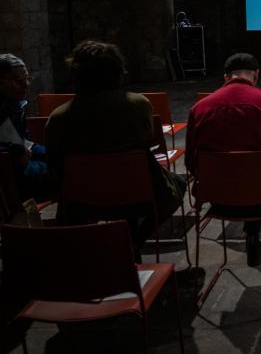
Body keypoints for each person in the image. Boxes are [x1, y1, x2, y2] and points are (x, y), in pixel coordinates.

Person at [46, 40, 184, 250]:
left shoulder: (58, 117)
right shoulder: (138, 105)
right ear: (117, 71)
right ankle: (132, 240)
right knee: (178, 185)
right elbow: (147, 141)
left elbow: (55, 161)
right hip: (138, 193)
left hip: (81, 200)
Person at [185, 53, 261, 267]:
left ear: (225, 77)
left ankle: (254, 234)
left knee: (246, 178)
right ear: (256, 75)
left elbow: (191, 163)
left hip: (219, 199)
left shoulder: (199, 109)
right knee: (258, 178)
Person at [0, 54, 51, 201]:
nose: (26, 85)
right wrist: (21, 151)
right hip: (11, 177)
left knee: (59, 157)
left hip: (20, 157)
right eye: (18, 81)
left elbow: (25, 141)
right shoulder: (2, 110)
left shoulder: (15, 105)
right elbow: (18, 157)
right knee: (64, 171)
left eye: (27, 79)